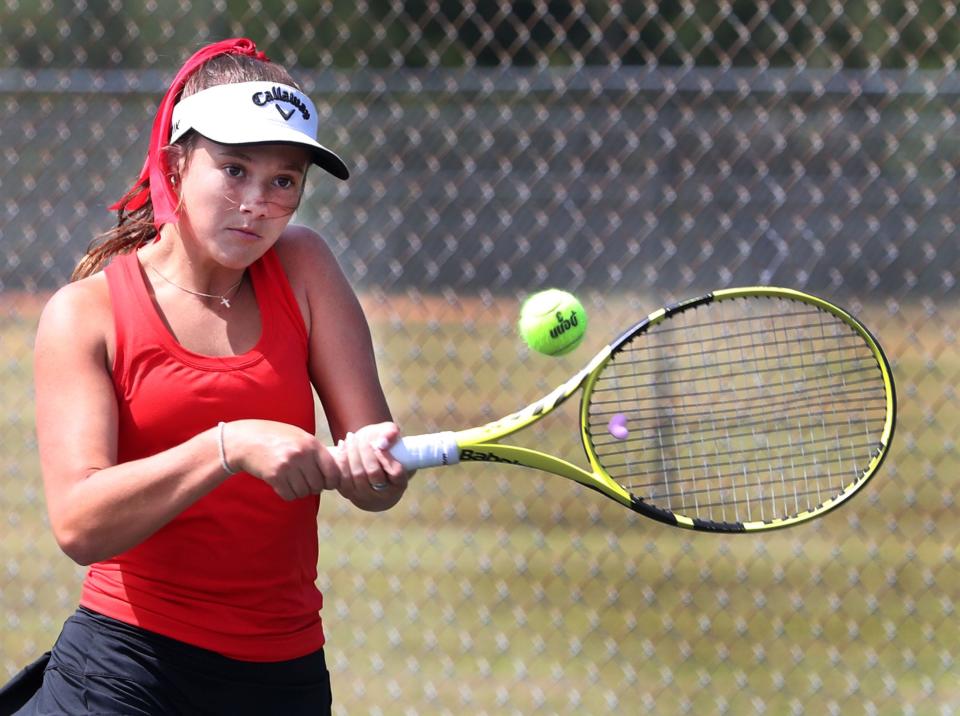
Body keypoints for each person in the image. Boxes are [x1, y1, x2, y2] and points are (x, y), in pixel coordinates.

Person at [4, 38, 411, 715]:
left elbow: (374, 485)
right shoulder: (86, 314)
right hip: (127, 673)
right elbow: (79, 525)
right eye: (234, 169)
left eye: (284, 180)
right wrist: (229, 446)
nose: (257, 202)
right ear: (175, 163)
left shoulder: (305, 266)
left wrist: (378, 469)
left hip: (284, 675)